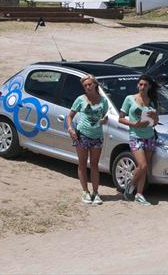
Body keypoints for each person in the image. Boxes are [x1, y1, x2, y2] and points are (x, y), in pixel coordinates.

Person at [66, 75, 109, 205]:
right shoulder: (80, 99)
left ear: (95, 85)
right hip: (82, 134)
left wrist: (103, 121)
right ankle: (85, 191)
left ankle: (96, 192)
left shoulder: (103, 101)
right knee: (82, 164)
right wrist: (70, 128)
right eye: (85, 86)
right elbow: (70, 115)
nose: (88, 87)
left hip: (97, 136)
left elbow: (104, 117)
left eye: (90, 84)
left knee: (95, 165)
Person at [118, 74, 160, 205]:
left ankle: (139, 194)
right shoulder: (129, 99)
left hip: (149, 136)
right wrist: (134, 124)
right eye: (140, 84)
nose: (142, 87)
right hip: (135, 136)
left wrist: (154, 118)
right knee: (142, 165)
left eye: (145, 85)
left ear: (149, 86)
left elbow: (155, 123)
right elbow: (121, 118)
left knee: (144, 168)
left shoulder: (152, 101)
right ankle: (131, 184)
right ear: (137, 85)